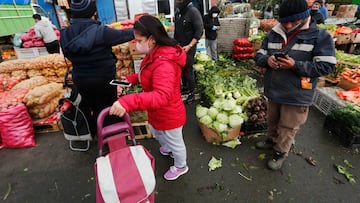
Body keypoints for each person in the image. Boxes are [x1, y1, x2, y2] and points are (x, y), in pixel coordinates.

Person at [254, 0, 336, 170]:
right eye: (285, 21)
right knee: (272, 120)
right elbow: (260, 53)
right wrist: (267, 60)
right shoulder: (273, 33)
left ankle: (280, 153)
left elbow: (327, 66)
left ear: (305, 16)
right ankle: (271, 141)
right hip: (274, 89)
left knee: (288, 126)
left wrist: (295, 65)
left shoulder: (320, 36)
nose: (289, 25)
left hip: (297, 94)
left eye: (294, 21)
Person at [109, 15, 188, 181]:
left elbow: (161, 96)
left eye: (139, 40)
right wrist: (129, 80)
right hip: (157, 111)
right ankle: (167, 148)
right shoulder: (154, 54)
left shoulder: (164, 62)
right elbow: (147, 74)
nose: (136, 44)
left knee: (175, 142)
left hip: (169, 113)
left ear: (151, 39)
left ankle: (181, 166)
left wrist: (127, 102)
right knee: (156, 131)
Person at [60, 0, 134, 136]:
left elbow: (67, 55)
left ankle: (97, 132)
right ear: (93, 13)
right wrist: (147, 28)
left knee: (93, 106)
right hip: (103, 79)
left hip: (81, 79)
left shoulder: (65, 34)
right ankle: (112, 139)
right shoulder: (101, 32)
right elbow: (126, 35)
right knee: (109, 107)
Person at [174, 0, 204, 102]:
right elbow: (177, 30)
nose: (177, 1)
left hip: (189, 47)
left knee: (188, 69)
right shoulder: (178, 11)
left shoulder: (193, 12)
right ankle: (185, 87)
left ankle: (192, 92)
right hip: (179, 46)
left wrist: (190, 45)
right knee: (181, 68)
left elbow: (199, 31)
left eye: (179, 0)